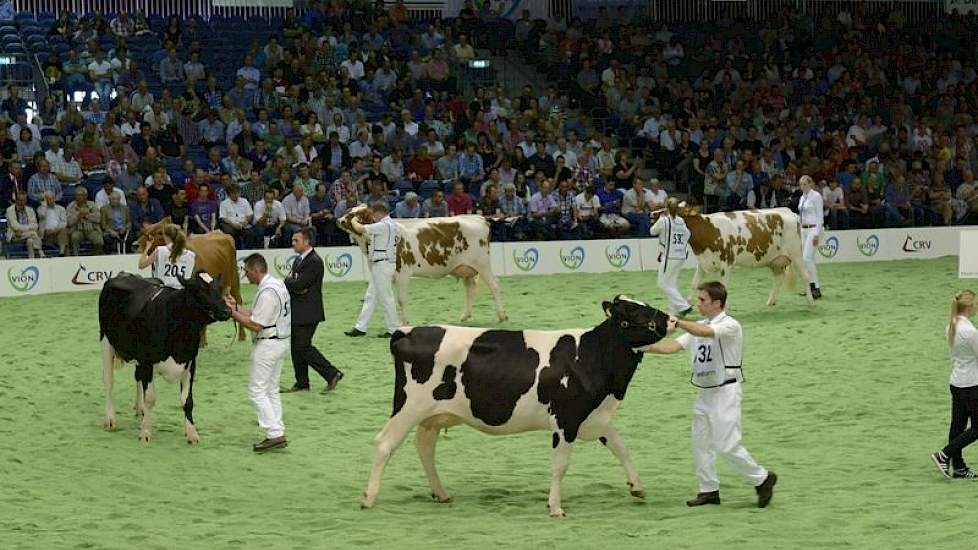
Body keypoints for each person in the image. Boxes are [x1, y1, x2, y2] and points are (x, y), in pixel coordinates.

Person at [641, 281, 777, 508]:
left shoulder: (730, 325)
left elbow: (705, 332)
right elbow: (672, 347)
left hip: (726, 391)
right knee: (700, 443)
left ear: (717, 303)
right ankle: (709, 490)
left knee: (726, 444)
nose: (698, 303)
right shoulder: (698, 325)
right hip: (704, 393)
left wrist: (678, 321)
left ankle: (762, 478)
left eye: (702, 300)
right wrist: (641, 346)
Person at [226, 253, 291, 452]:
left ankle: (274, 433)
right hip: (280, 341)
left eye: (247, 271)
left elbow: (255, 324)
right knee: (270, 389)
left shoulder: (267, 292)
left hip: (268, 344)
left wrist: (230, 312)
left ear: (256, 269)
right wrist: (236, 307)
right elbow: (257, 315)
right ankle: (276, 428)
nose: (246, 276)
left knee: (257, 390)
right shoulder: (277, 285)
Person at [282, 228, 345, 394]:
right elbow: (293, 283)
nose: (293, 243)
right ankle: (302, 382)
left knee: (303, 346)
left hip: (309, 311)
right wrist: (293, 283)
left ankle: (332, 373)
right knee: (296, 348)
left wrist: (292, 283)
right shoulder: (299, 260)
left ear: (306, 242)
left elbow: (298, 284)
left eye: (296, 240)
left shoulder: (313, 261)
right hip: (299, 310)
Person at [932, 290, 978, 479]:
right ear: (969, 307)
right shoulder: (970, 331)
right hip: (972, 384)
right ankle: (944, 454)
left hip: (957, 381)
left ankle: (959, 467)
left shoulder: (951, 325)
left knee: (957, 426)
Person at [345, 202, 401, 338]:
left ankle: (394, 329)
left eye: (373, 214)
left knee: (386, 298)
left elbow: (360, 229)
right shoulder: (394, 226)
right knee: (371, 297)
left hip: (383, 264)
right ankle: (360, 327)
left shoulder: (383, 225)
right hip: (383, 264)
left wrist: (353, 219)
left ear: (378, 213)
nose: (373, 217)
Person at [649, 198, 693, 316]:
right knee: (671, 283)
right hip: (681, 256)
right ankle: (674, 310)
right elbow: (688, 234)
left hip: (669, 256)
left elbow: (652, 231)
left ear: (667, 208)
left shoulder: (663, 220)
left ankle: (684, 306)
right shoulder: (681, 221)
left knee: (662, 283)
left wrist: (656, 219)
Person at [138, 223, 196, 289]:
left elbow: (141, 265)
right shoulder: (191, 255)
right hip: (182, 292)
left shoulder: (160, 250)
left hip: (163, 290)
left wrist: (147, 247)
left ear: (165, 236)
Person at [798, 175, 824, 299]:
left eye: (804, 184)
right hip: (804, 230)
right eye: (800, 184)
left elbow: (820, 216)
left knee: (807, 258)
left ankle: (814, 287)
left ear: (810, 184)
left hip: (813, 229)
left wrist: (817, 233)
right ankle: (812, 287)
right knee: (808, 259)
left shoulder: (816, 196)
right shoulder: (802, 198)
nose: (802, 186)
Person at [5, 191, 43, 258]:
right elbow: (15, 226)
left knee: (30, 241)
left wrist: (26, 230)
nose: (22, 202)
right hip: (15, 234)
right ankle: (40, 251)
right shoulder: (10, 210)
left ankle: (31, 258)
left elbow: (35, 225)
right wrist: (29, 228)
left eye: (24, 200)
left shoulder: (30, 210)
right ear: (16, 200)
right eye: (20, 200)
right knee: (33, 234)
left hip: (27, 234)